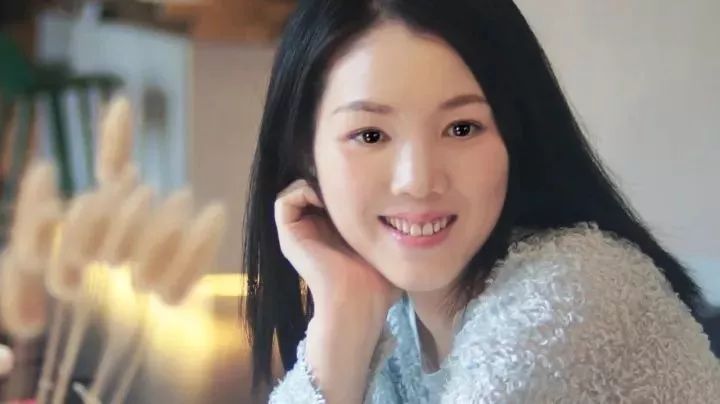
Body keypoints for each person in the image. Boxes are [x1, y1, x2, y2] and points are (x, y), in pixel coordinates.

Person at [242, 0, 720, 402]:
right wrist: (344, 312)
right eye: (370, 135)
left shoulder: (567, 296)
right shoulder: (397, 318)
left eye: (462, 128)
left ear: (516, 133)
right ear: (305, 154)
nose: (418, 181)